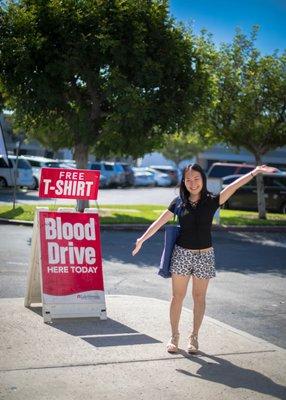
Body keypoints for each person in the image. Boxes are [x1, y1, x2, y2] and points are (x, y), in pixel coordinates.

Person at [132, 163, 278, 354]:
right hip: (182, 254)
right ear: (184, 182)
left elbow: (233, 186)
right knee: (177, 297)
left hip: (205, 255)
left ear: (203, 180)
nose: (192, 183)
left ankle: (194, 337)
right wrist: (142, 239)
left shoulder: (212, 200)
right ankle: (174, 336)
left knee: (199, 298)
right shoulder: (178, 203)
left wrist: (255, 172)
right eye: (188, 180)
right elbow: (159, 221)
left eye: (196, 179)